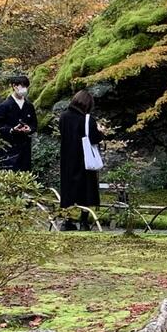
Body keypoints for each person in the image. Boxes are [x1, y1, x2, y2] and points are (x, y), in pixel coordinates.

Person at [59, 88, 101, 227]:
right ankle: (84, 221)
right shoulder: (88, 120)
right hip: (84, 159)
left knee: (67, 190)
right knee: (85, 190)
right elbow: (95, 139)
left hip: (67, 159)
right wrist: (100, 132)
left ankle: (67, 221)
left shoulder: (63, 117)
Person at [0, 76, 40, 172]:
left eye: (26, 86)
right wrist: (11, 129)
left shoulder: (29, 106)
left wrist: (29, 129)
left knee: (25, 172)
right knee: (8, 173)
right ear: (14, 86)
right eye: (22, 86)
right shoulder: (4, 106)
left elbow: (34, 124)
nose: (24, 89)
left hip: (25, 147)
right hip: (8, 147)